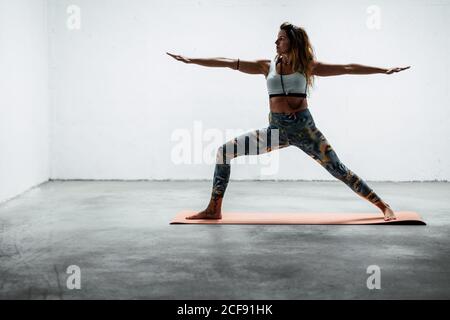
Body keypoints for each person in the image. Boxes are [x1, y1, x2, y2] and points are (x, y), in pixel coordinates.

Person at [167, 22, 410, 222]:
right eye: (276, 38)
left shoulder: (307, 67)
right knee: (224, 152)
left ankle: (383, 206)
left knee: (339, 170)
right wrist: (192, 60)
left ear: (292, 42)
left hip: (305, 130)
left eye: (281, 38)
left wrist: (383, 70)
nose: (276, 42)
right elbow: (229, 62)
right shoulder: (266, 66)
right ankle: (214, 209)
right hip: (276, 131)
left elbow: (348, 68)